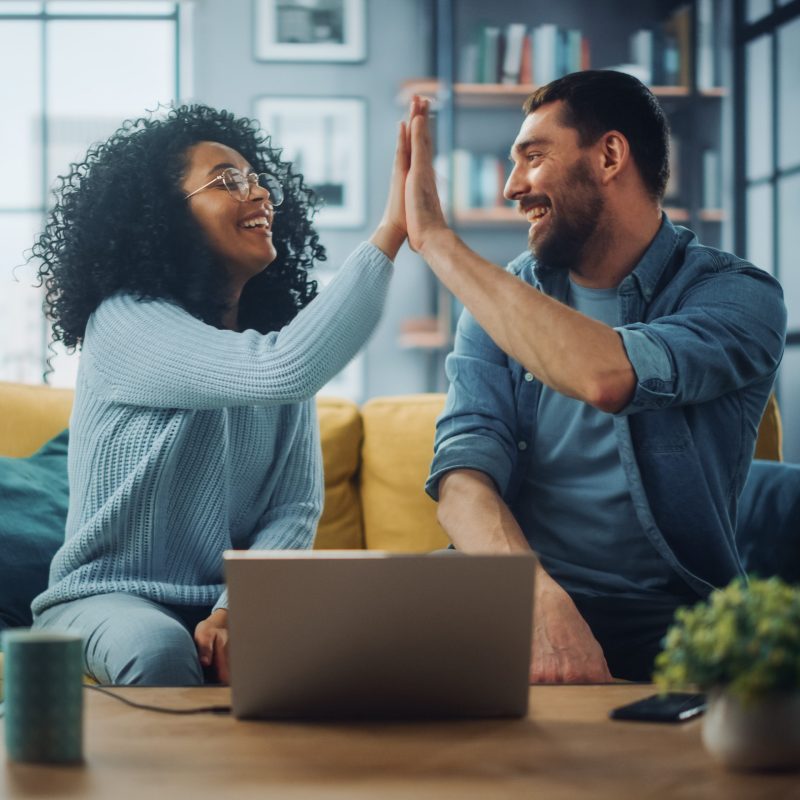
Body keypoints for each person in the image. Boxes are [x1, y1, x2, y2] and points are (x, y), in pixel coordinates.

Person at [403, 71, 787, 682]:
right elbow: (462, 476)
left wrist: (438, 243)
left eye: (533, 157)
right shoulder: (502, 301)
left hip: (666, 615)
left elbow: (607, 376)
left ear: (609, 155)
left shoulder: (737, 297)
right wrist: (534, 598)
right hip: (514, 587)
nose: (511, 187)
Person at [30, 102, 412, 686]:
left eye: (258, 181)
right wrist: (391, 233)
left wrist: (238, 607)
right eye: (229, 180)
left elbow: (293, 510)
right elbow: (282, 369)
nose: (258, 194)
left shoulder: (268, 349)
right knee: (157, 646)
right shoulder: (126, 323)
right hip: (105, 598)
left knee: (391, 632)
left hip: (226, 601)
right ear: (163, 216)